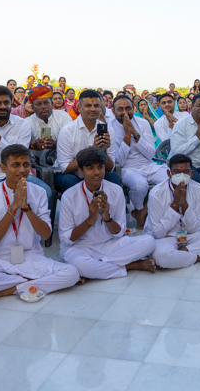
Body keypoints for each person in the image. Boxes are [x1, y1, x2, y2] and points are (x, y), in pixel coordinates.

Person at [0, 145, 80, 305]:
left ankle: (5, 291)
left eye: (26, 165)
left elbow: (46, 234)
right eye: (16, 165)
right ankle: (32, 281)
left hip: (31, 256)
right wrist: (13, 207)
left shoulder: (39, 192)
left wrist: (27, 208)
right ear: (2, 168)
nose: (22, 170)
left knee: (72, 273)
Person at [58, 148, 156, 277]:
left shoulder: (115, 190)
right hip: (80, 247)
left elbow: (120, 232)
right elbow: (66, 239)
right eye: (90, 168)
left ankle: (99, 266)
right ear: (80, 171)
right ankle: (130, 265)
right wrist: (89, 221)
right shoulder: (69, 196)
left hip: (108, 244)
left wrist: (107, 217)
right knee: (82, 264)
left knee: (149, 241)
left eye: (100, 167)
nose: (97, 172)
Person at [146, 154, 200, 266]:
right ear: (169, 173)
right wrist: (175, 204)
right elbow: (158, 233)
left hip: (188, 235)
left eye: (186, 172)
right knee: (162, 257)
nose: (181, 175)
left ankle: (183, 253)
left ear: (192, 174)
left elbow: (196, 228)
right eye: (177, 172)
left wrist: (185, 204)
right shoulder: (156, 193)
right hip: (166, 237)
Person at [0, 85, 49, 194]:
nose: (3, 106)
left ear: (11, 102)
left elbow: (18, 155)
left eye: (6, 102)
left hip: (20, 175)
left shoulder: (23, 124)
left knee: (45, 191)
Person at [54, 89, 121, 192]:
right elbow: (65, 168)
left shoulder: (108, 131)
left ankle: (106, 208)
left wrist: (102, 151)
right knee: (69, 182)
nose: (93, 109)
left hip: (96, 173)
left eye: (96, 106)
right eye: (88, 106)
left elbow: (109, 169)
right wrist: (92, 151)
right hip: (72, 175)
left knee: (113, 179)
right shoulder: (67, 131)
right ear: (80, 108)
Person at [111, 94, 162, 229]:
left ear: (133, 108)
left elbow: (150, 153)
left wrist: (134, 133)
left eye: (128, 108)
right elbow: (119, 162)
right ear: (113, 111)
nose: (125, 113)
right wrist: (127, 136)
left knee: (173, 180)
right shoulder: (110, 128)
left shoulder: (143, 123)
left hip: (148, 165)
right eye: (120, 109)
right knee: (140, 185)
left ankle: (141, 211)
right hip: (127, 168)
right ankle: (140, 211)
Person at [28, 85, 73, 153]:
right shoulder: (27, 122)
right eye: (38, 104)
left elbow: (72, 138)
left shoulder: (63, 116)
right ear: (32, 107)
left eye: (46, 103)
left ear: (52, 104)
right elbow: (20, 145)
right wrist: (33, 145)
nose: (43, 107)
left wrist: (56, 144)